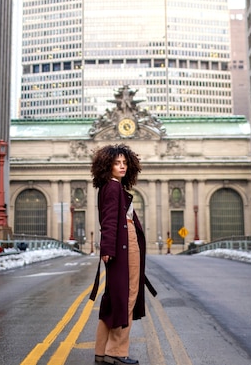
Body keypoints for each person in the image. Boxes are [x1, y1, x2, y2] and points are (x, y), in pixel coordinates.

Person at [89, 144, 156, 365]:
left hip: (120, 246)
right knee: (126, 298)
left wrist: (108, 248)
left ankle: (101, 351)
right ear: (107, 165)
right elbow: (109, 219)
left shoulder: (110, 187)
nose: (122, 166)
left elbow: (108, 219)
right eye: (117, 163)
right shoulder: (113, 187)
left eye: (125, 163)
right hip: (125, 247)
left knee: (112, 299)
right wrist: (107, 247)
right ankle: (116, 352)